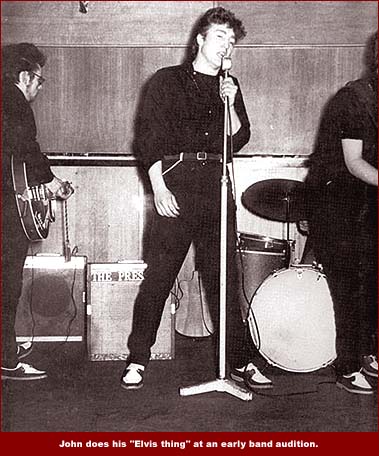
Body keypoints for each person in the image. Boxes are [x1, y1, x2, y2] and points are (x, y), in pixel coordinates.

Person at [120, 7, 272, 391]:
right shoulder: (167, 81)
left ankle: (240, 360)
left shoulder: (229, 85)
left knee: (224, 277)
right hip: (176, 180)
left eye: (232, 40)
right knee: (160, 276)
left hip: (215, 183)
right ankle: (138, 357)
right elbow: (148, 137)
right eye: (220, 36)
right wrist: (158, 186)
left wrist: (230, 101)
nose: (227, 44)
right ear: (200, 40)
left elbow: (239, 138)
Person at [305, 31, 378, 394]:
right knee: (349, 287)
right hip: (334, 204)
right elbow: (354, 163)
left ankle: (367, 351)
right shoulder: (354, 100)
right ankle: (348, 367)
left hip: (364, 204)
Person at [2, 43, 74, 381]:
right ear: (23, 77)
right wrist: (53, 181)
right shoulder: (14, 103)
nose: (39, 88)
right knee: (7, 283)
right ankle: (5, 361)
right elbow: (27, 150)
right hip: (5, 212)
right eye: (39, 81)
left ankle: (5, 346)